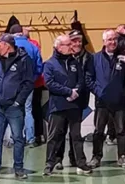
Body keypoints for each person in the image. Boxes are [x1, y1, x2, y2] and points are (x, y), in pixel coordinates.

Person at [43, 34, 91, 176]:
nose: (71, 47)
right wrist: (68, 92)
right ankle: (50, 163)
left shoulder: (75, 63)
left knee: (76, 136)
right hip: (57, 106)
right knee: (54, 136)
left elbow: (81, 80)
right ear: (59, 47)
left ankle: (81, 163)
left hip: (74, 105)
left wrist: (76, 92)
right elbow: (50, 83)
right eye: (68, 44)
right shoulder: (49, 64)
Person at [0, 34, 33, 181]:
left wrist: (19, 101)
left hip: (14, 106)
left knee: (18, 138)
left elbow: (28, 83)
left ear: (7, 46)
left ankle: (18, 168)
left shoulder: (24, 60)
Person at [89, 29, 125, 169]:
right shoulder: (95, 58)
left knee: (121, 130)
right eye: (109, 39)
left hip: (119, 102)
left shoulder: (124, 58)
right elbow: (89, 78)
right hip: (101, 102)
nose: (113, 42)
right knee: (98, 131)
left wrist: (123, 93)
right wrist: (98, 92)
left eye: (115, 39)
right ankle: (96, 157)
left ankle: (122, 156)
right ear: (104, 42)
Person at [7, 23, 42, 146]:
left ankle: (14, 139)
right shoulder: (33, 46)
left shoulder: (10, 46)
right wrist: (32, 79)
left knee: (13, 110)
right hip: (29, 84)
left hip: (13, 84)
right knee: (28, 110)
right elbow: (39, 67)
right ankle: (30, 139)